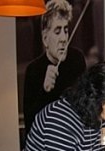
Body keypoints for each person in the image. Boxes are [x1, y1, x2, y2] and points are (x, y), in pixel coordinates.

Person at [22, 0, 87, 136]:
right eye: (57, 32)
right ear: (45, 39)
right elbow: (30, 125)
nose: (64, 38)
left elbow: (85, 106)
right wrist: (45, 91)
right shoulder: (33, 70)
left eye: (66, 30)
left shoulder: (77, 59)